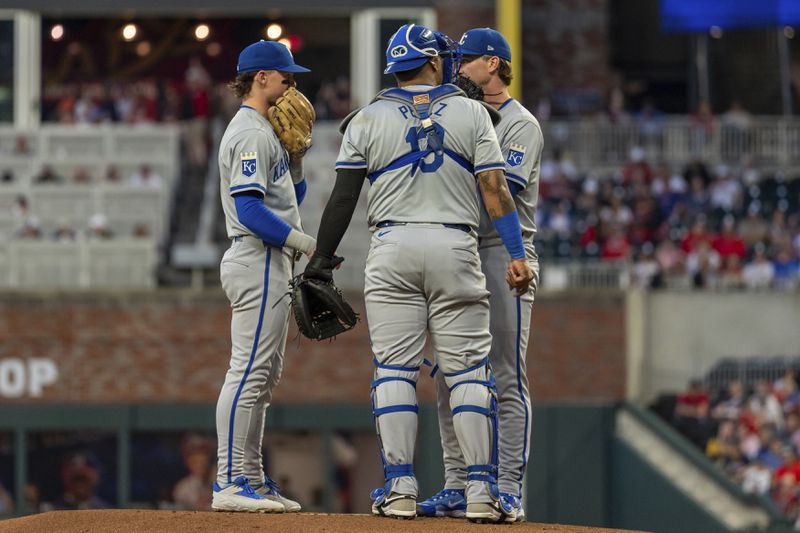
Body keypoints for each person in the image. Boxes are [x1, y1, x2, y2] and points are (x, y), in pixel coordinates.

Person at [302, 23, 532, 523]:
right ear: (432, 62)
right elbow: (494, 188)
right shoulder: (472, 112)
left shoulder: (365, 118)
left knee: (394, 370)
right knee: (470, 369)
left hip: (391, 247)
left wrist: (321, 260)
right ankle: (479, 491)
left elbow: (343, 199)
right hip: (455, 243)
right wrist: (516, 253)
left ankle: (401, 487)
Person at [416, 27, 543, 523]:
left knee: (508, 377)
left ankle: (508, 488)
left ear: (493, 63)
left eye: (465, 60)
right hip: (461, 251)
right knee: (452, 374)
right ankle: (457, 483)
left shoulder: (520, 123)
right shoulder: (460, 115)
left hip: (503, 253)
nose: (456, 68)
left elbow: (498, 197)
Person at [212, 39, 315, 513]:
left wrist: (295, 160)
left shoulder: (266, 131)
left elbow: (287, 197)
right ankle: (230, 478)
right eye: (285, 76)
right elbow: (250, 209)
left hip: (269, 260)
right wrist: (297, 241)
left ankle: (248, 476)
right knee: (248, 371)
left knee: (264, 374)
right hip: (257, 257)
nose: (291, 84)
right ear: (261, 78)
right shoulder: (250, 131)